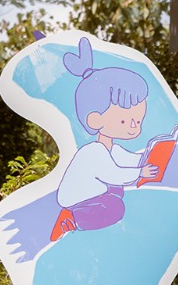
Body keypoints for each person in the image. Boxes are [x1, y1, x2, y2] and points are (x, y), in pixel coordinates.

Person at [51, 36, 161, 237]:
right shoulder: (93, 152)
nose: (134, 127)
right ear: (95, 120)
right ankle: (70, 220)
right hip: (78, 201)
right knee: (115, 208)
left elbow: (129, 159)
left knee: (116, 194)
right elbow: (113, 174)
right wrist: (140, 173)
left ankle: (76, 217)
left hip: (95, 195)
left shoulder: (112, 149)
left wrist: (152, 154)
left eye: (138, 121)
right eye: (124, 121)